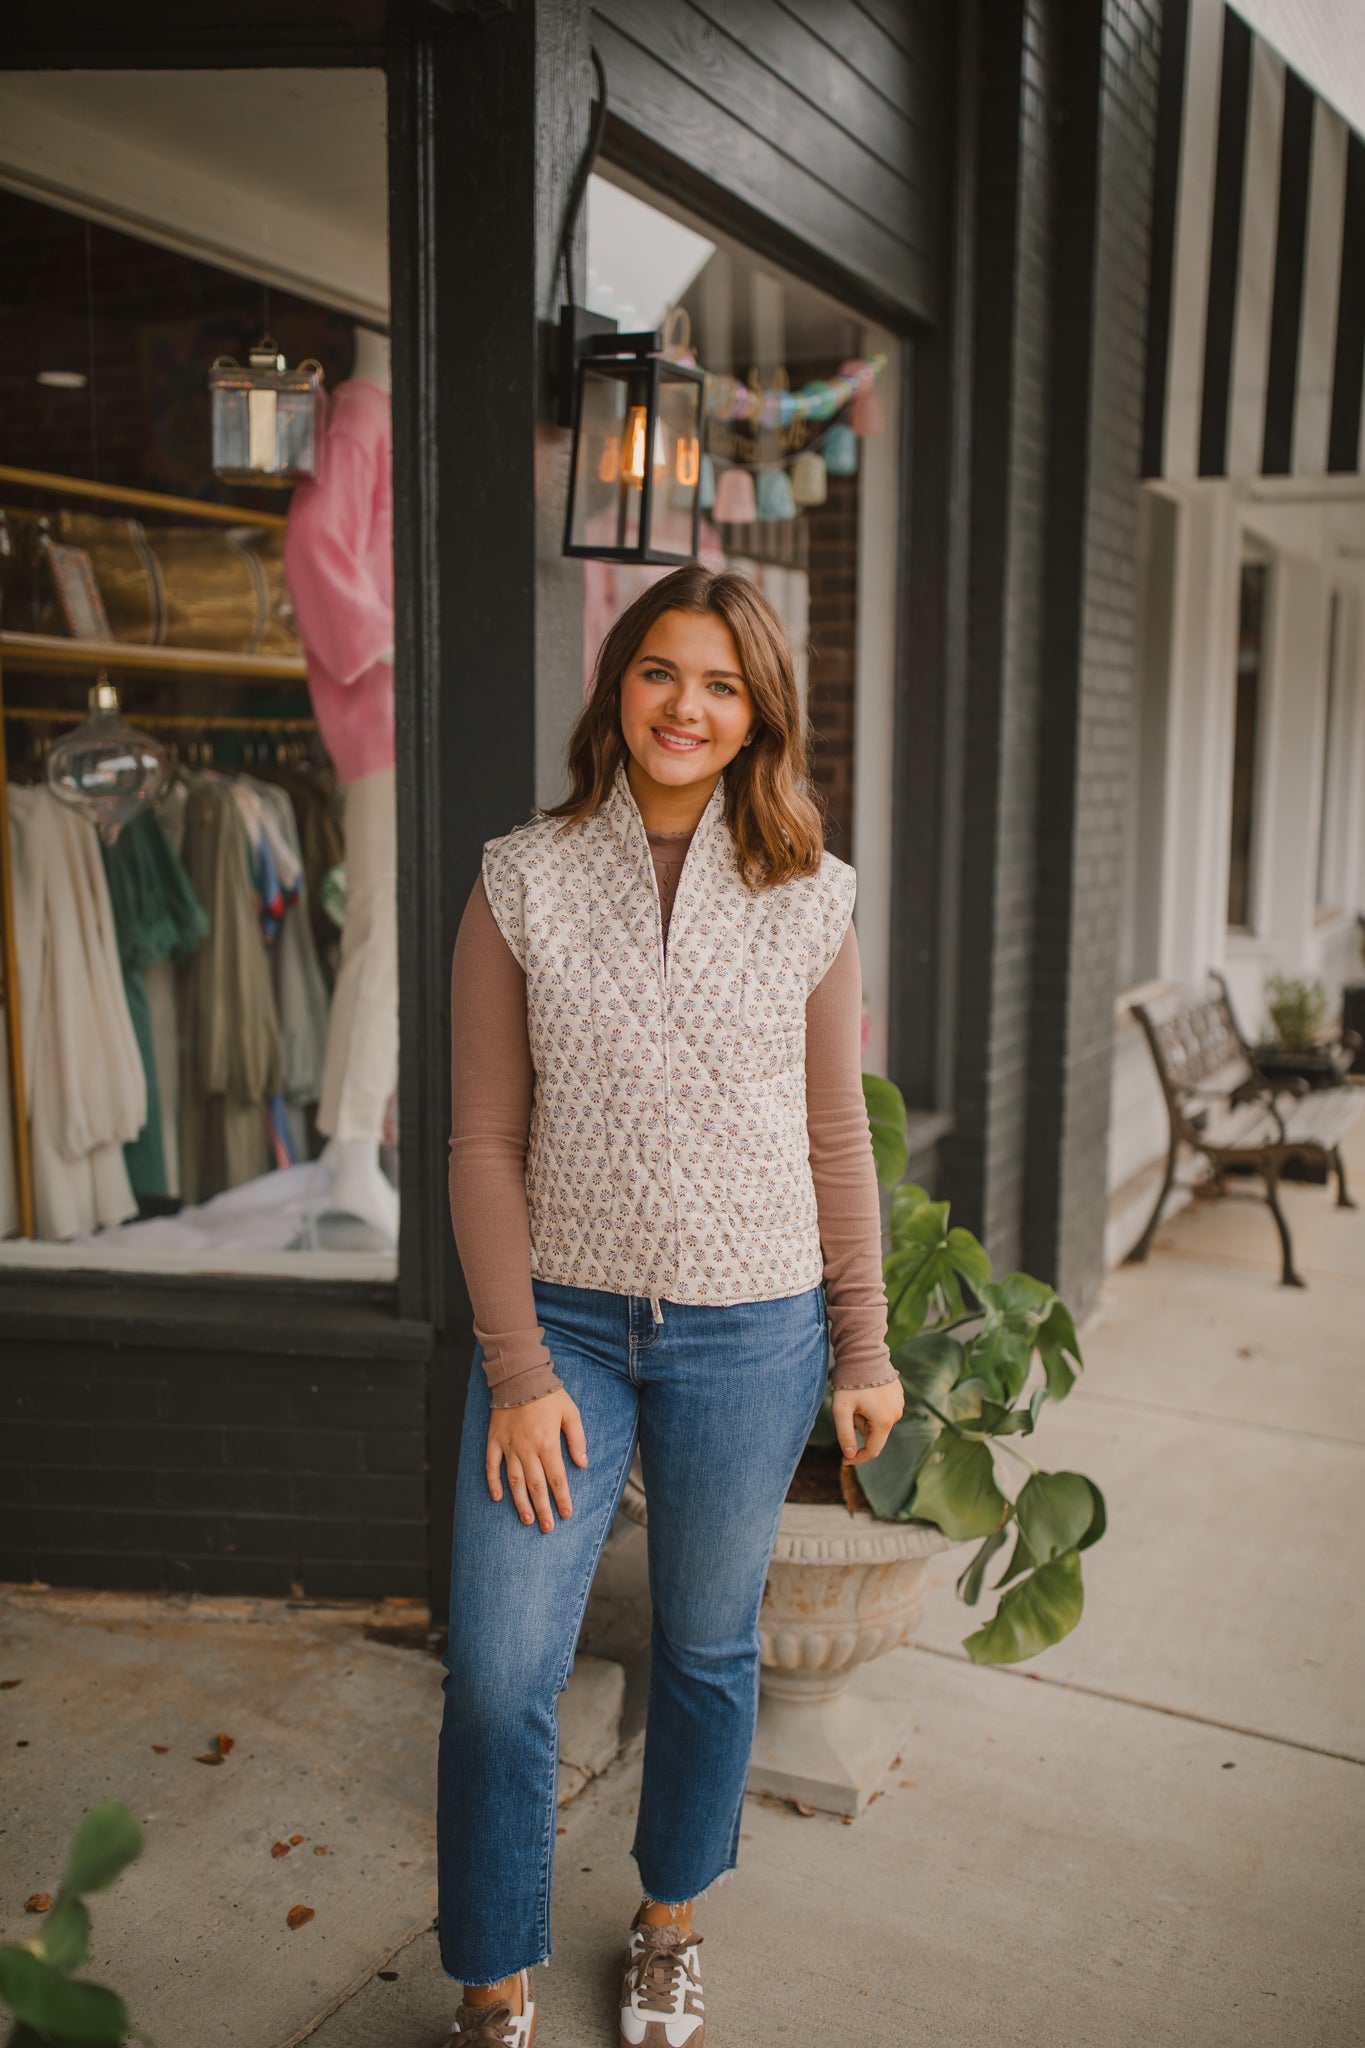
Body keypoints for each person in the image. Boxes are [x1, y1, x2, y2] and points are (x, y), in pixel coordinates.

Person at [440, 564, 904, 2047]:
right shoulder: (522, 874)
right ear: (616, 687)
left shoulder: (809, 894)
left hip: (750, 1328)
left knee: (706, 1651)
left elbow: (838, 1136)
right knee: (506, 1671)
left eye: (718, 681)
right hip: (560, 1329)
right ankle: (491, 1976)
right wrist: (516, 1367)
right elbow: (479, 1145)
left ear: (757, 708)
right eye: (658, 672)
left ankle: (666, 1923)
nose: (684, 706)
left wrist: (864, 1340)